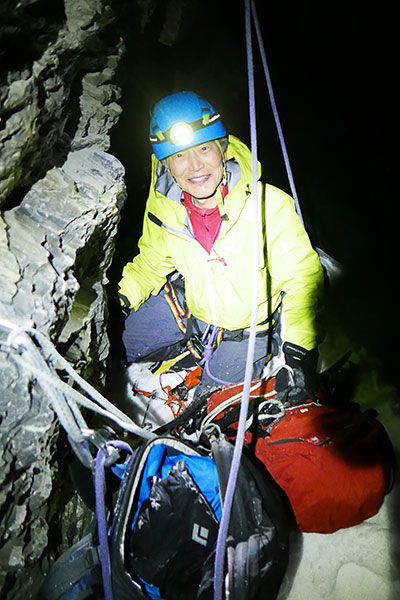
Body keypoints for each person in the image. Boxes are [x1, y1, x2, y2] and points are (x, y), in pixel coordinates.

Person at [118, 91, 324, 403]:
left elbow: (303, 280)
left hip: (248, 333)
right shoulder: (166, 210)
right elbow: (151, 262)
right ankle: (184, 352)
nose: (194, 166)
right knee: (114, 341)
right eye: (179, 156)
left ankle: (206, 369)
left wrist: (298, 353)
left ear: (223, 150)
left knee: (208, 406)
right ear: (166, 167)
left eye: (203, 149)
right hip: (193, 312)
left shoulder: (270, 206)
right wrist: (120, 300)